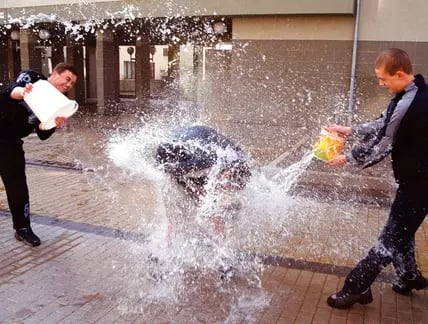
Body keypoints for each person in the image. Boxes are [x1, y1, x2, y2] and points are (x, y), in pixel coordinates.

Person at [324, 48, 428, 309]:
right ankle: (408, 276)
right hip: (415, 180)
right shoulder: (410, 91)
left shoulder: (409, 103)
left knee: (390, 239)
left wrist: (348, 158)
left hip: (420, 183)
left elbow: (383, 143)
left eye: (383, 79)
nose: (381, 84)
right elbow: (384, 122)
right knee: (403, 230)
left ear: (400, 74)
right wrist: (350, 130)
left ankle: (355, 288)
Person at [0, 63, 78, 247]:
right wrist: (26, 92)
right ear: (54, 73)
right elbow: (13, 91)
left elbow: (42, 132)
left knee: (18, 187)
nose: (68, 85)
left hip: (10, 142)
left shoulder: (62, 102)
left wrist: (52, 123)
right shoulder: (33, 78)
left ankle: (23, 228)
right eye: (67, 79)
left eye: (72, 84)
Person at [156, 125, 251, 236]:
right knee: (213, 203)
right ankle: (172, 234)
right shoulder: (227, 162)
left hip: (169, 146)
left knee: (183, 200)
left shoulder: (227, 158)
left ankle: (168, 239)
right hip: (188, 152)